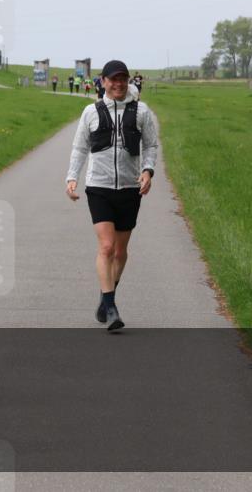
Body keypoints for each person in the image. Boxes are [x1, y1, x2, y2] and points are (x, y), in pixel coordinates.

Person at [65, 60, 158, 331]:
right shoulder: (91, 112)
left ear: (128, 81)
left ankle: (106, 298)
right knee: (106, 247)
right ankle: (111, 307)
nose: (118, 84)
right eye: (113, 79)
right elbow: (79, 147)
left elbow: (151, 145)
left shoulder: (141, 111)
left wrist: (148, 171)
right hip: (99, 187)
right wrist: (72, 177)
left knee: (120, 251)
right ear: (103, 82)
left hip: (130, 188)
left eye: (123, 79)